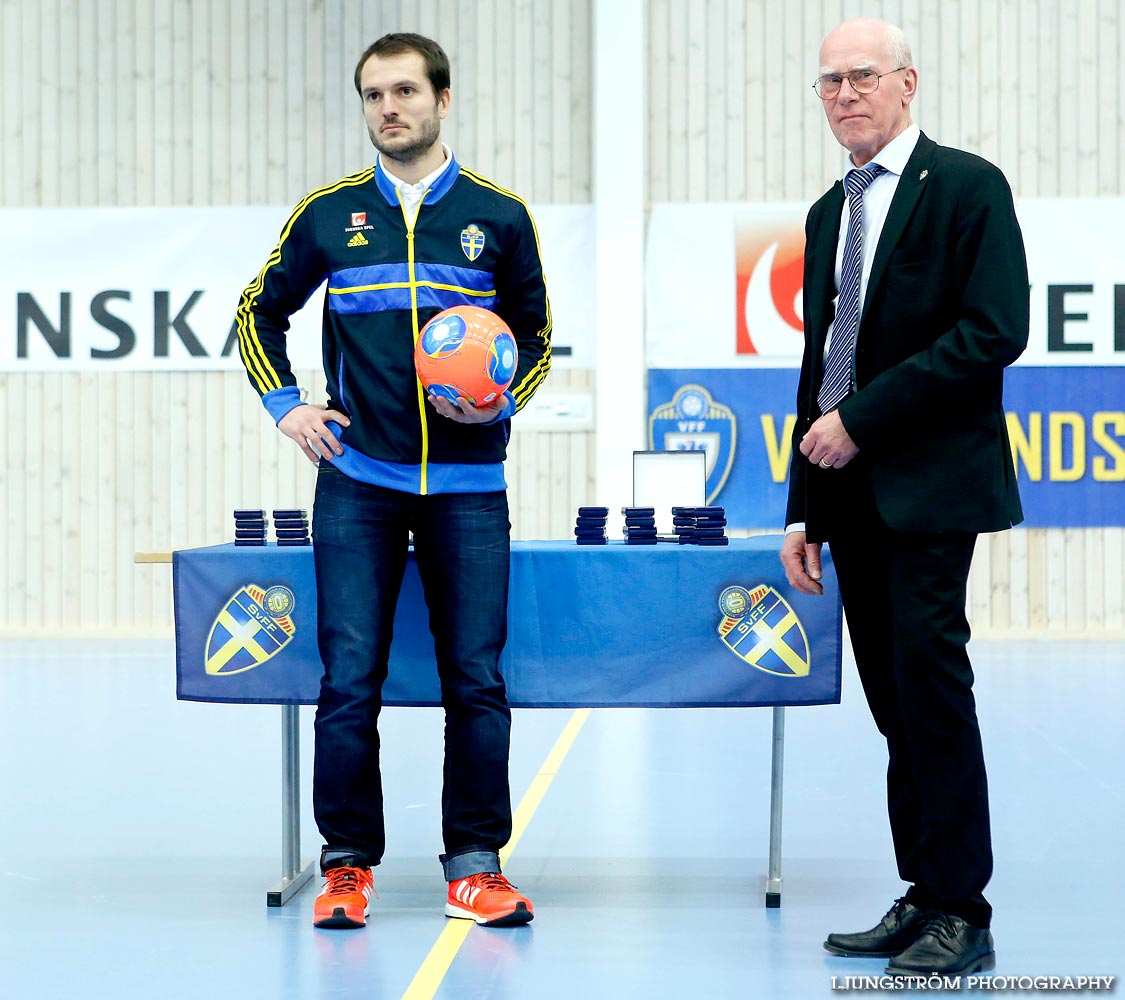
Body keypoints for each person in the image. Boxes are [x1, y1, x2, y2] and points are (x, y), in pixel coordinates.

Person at [234, 32, 551, 930]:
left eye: (405, 91)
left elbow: (534, 338)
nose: (388, 109)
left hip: (468, 488)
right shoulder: (328, 215)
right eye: (373, 95)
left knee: (476, 679)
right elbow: (256, 310)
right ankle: (345, 867)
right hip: (357, 482)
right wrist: (286, 406)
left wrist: (499, 406)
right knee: (347, 680)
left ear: (442, 101)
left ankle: (475, 865)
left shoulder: (501, 215)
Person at [779, 17, 1028, 978]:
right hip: (847, 497)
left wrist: (865, 424)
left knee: (930, 693)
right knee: (892, 704)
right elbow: (820, 369)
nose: (844, 94)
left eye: (861, 76)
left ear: (906, 82)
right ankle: (922, 892)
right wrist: (803, 505)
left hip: (928, 488)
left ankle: (962, 909)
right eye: (828, 82)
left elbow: (990, 331)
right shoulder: (825, 212)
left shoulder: (965, 186)